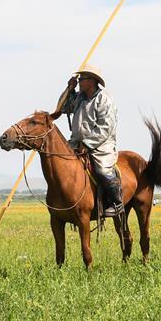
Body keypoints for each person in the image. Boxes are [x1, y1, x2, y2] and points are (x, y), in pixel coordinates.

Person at [60, 64, 124, 217]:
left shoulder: (104, 99)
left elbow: (105, 127)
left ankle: (116, 202)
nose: (80, 81)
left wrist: (87, 144)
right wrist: (69, 88)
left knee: (102, 169)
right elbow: (62, 108)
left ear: (93, 81)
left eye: (82, 79)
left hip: (100, 144)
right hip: (75, 142)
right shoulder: (79, 97)